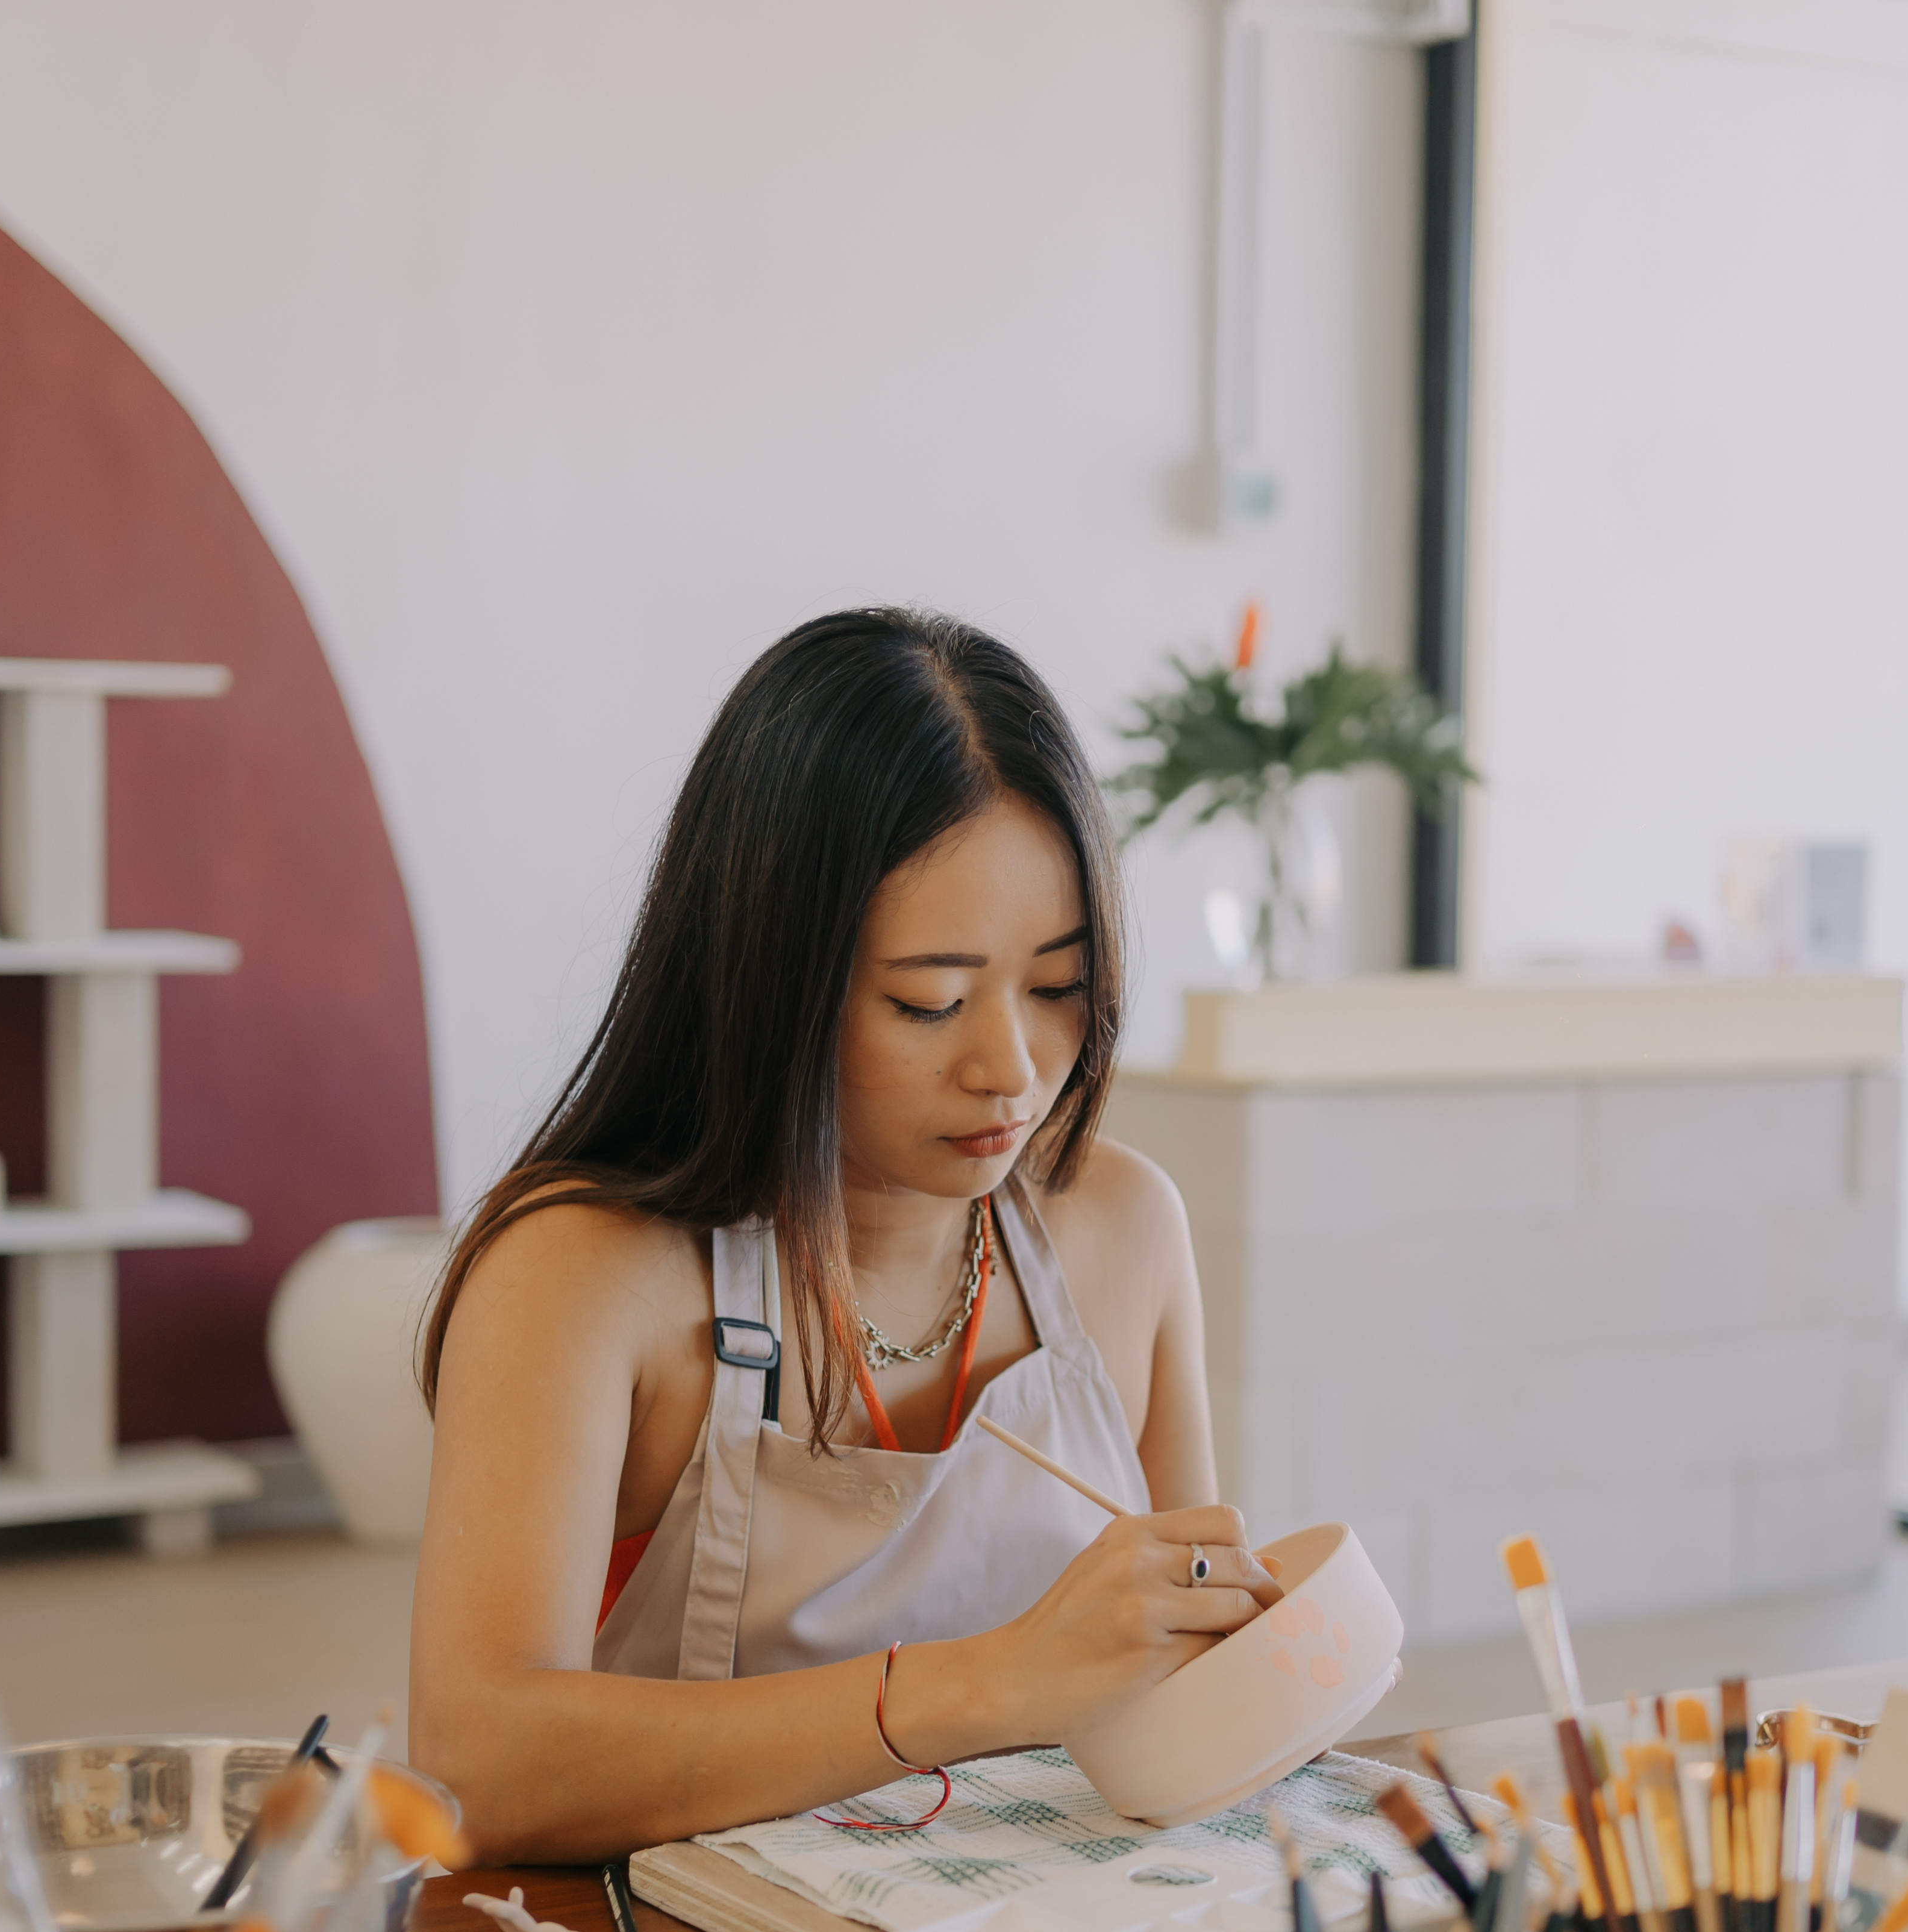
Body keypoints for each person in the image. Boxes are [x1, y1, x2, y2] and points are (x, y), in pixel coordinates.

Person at [408, 608, 1280, 1862]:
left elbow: (1187, 1666)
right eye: (931, 1000)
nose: (1010, 1067)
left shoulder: (1125, 1228)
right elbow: (480, 1762)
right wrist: (986, 1684)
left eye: (1058, 986)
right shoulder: (585, 1277)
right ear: (771, 977)